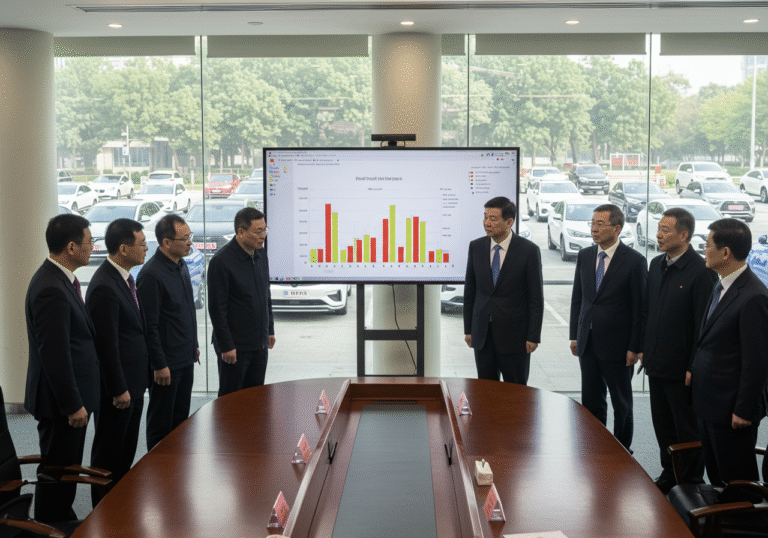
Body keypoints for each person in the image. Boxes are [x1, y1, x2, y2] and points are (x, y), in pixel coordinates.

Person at [24, 214, 99, 522]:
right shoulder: (50, 288)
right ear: (71, 247)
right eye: (89, 241)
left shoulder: (60, 280)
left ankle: (61, 521)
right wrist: (72, 404)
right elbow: (55, 355)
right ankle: (50, 526)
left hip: (68, 400)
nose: (93, 247)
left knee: (66, 471)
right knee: (57, 473)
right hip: (60, 405)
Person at [641, 208, 716, 493]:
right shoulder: (656, 264)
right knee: (662, 425)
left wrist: (692, 366)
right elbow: (649, 311)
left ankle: (691, 481)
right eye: (658, 228)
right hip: (656, 363)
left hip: (682, 368)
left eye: (666, 230)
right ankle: (669, 473)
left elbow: (702, 325)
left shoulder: (701, 271)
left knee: (686, 428)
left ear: (684, 235)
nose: (659, 234)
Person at [690, 218, 768, 487]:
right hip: (709, 403)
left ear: (725, 252)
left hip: (732, 410)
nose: (703, 250)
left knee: (737, 485)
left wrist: (744, 411)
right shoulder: (722, 284)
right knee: (716, 480)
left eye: (707, 245)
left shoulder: (754, 296)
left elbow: (756, 362)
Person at [570, 204, 647, 451]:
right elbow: (578, 298)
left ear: (617, 228)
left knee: (621, 404)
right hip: (588, 341)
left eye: (600, 224)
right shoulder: (585, 256)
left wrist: (634, 347)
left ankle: (622, 450)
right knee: (591, 401)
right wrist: (574, 335)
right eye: (592, 223)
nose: (594, 229)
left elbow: (639, 309)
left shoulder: (634, 261)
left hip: (619, 346)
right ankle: (595, 446)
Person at [86, 218, 150, 506]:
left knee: (124, 453)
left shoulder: (124, 279)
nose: (146, 248)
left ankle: (119, 509)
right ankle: (102, 513)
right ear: (124, 249)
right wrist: (118, 388)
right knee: (109, 455)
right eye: (142, 243)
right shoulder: (105, 286)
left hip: (133, 384)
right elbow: (106, 345)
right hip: (118, 389)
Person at [463, 196, 544, 385]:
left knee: (515, 392)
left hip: (515, 337)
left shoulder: (528, 250)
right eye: (485, 217)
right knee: (486, 389)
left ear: (509, 222)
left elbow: (536, 298)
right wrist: (469, 329)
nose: (487, 223)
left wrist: (533, 336)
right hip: (483, 334)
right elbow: (470, 292)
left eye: (493, 218)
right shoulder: (476, 247)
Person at [136, 214, 199, 451]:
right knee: (161, 422)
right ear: (166, 242)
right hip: (166, 364)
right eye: (184, 239)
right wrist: (159, 364)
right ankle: (158, 466)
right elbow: (149, 326)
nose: (190, 242)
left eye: (190, 236)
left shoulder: (181, 265)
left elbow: (186, 309)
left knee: (180, 420)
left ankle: (177, 464)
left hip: (185, 357)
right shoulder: (151, 275)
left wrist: (193, 344)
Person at [208, 207, 275, 397]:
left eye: (264, 229)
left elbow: (266, 295)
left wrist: (269, 329)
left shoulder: (261, 254)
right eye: (258, 231)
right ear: (241, 232)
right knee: (231, 400)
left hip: (259, 344)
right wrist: (226, 345)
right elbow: (217, 309)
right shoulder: (221, 261)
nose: (263, 235)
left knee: (255, 397)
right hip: (235, 347)